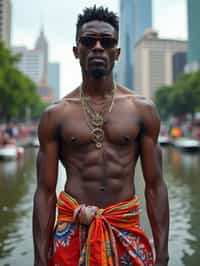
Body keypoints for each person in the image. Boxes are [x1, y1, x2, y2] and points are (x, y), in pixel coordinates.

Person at [33, 6, 169, 266]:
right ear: (76, 51)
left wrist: (162, 254)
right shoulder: (56, 115)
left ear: (116, 53)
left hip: (124, 227)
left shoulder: (142, 110)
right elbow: (45, 191)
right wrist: (40, 258)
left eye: (106, 42)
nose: (97, 47)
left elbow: (155, 186)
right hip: (72, 230)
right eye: (88, 41)